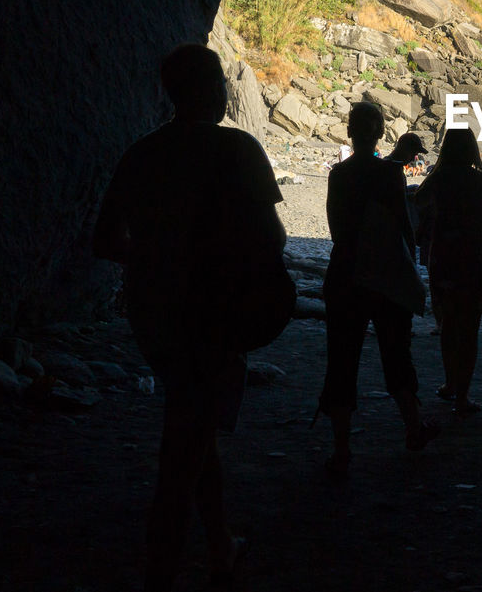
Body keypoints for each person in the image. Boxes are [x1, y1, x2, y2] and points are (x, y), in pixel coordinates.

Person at [93, 44, 284, 591]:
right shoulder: (239, 149)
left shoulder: (141, 153)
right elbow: (271, 239)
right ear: (212, 89)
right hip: (218, 313)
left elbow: (105, 240)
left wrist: (157, 258)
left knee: (193, 427)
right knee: (183, 449)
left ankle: (220, 542)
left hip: (154, 316)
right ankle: (163, 567)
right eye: (223, 79)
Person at [318, 108, 436, 478]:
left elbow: (336, 228)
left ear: (350, 132)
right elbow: (405, 228)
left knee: (342, 359)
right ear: (381, 133)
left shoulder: (339, 174)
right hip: (386, 276)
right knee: (396, 353)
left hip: (346, 274)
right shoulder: (390, 174)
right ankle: (414, 428)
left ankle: (341, 450)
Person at [415, 128, 482, 415]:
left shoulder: (438, 178)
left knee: (448, 323)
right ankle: (463, 396)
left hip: (444, 254)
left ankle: (449, 384)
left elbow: (417, 204)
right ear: (473, 149)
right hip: (475, 255)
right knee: (470, 329)